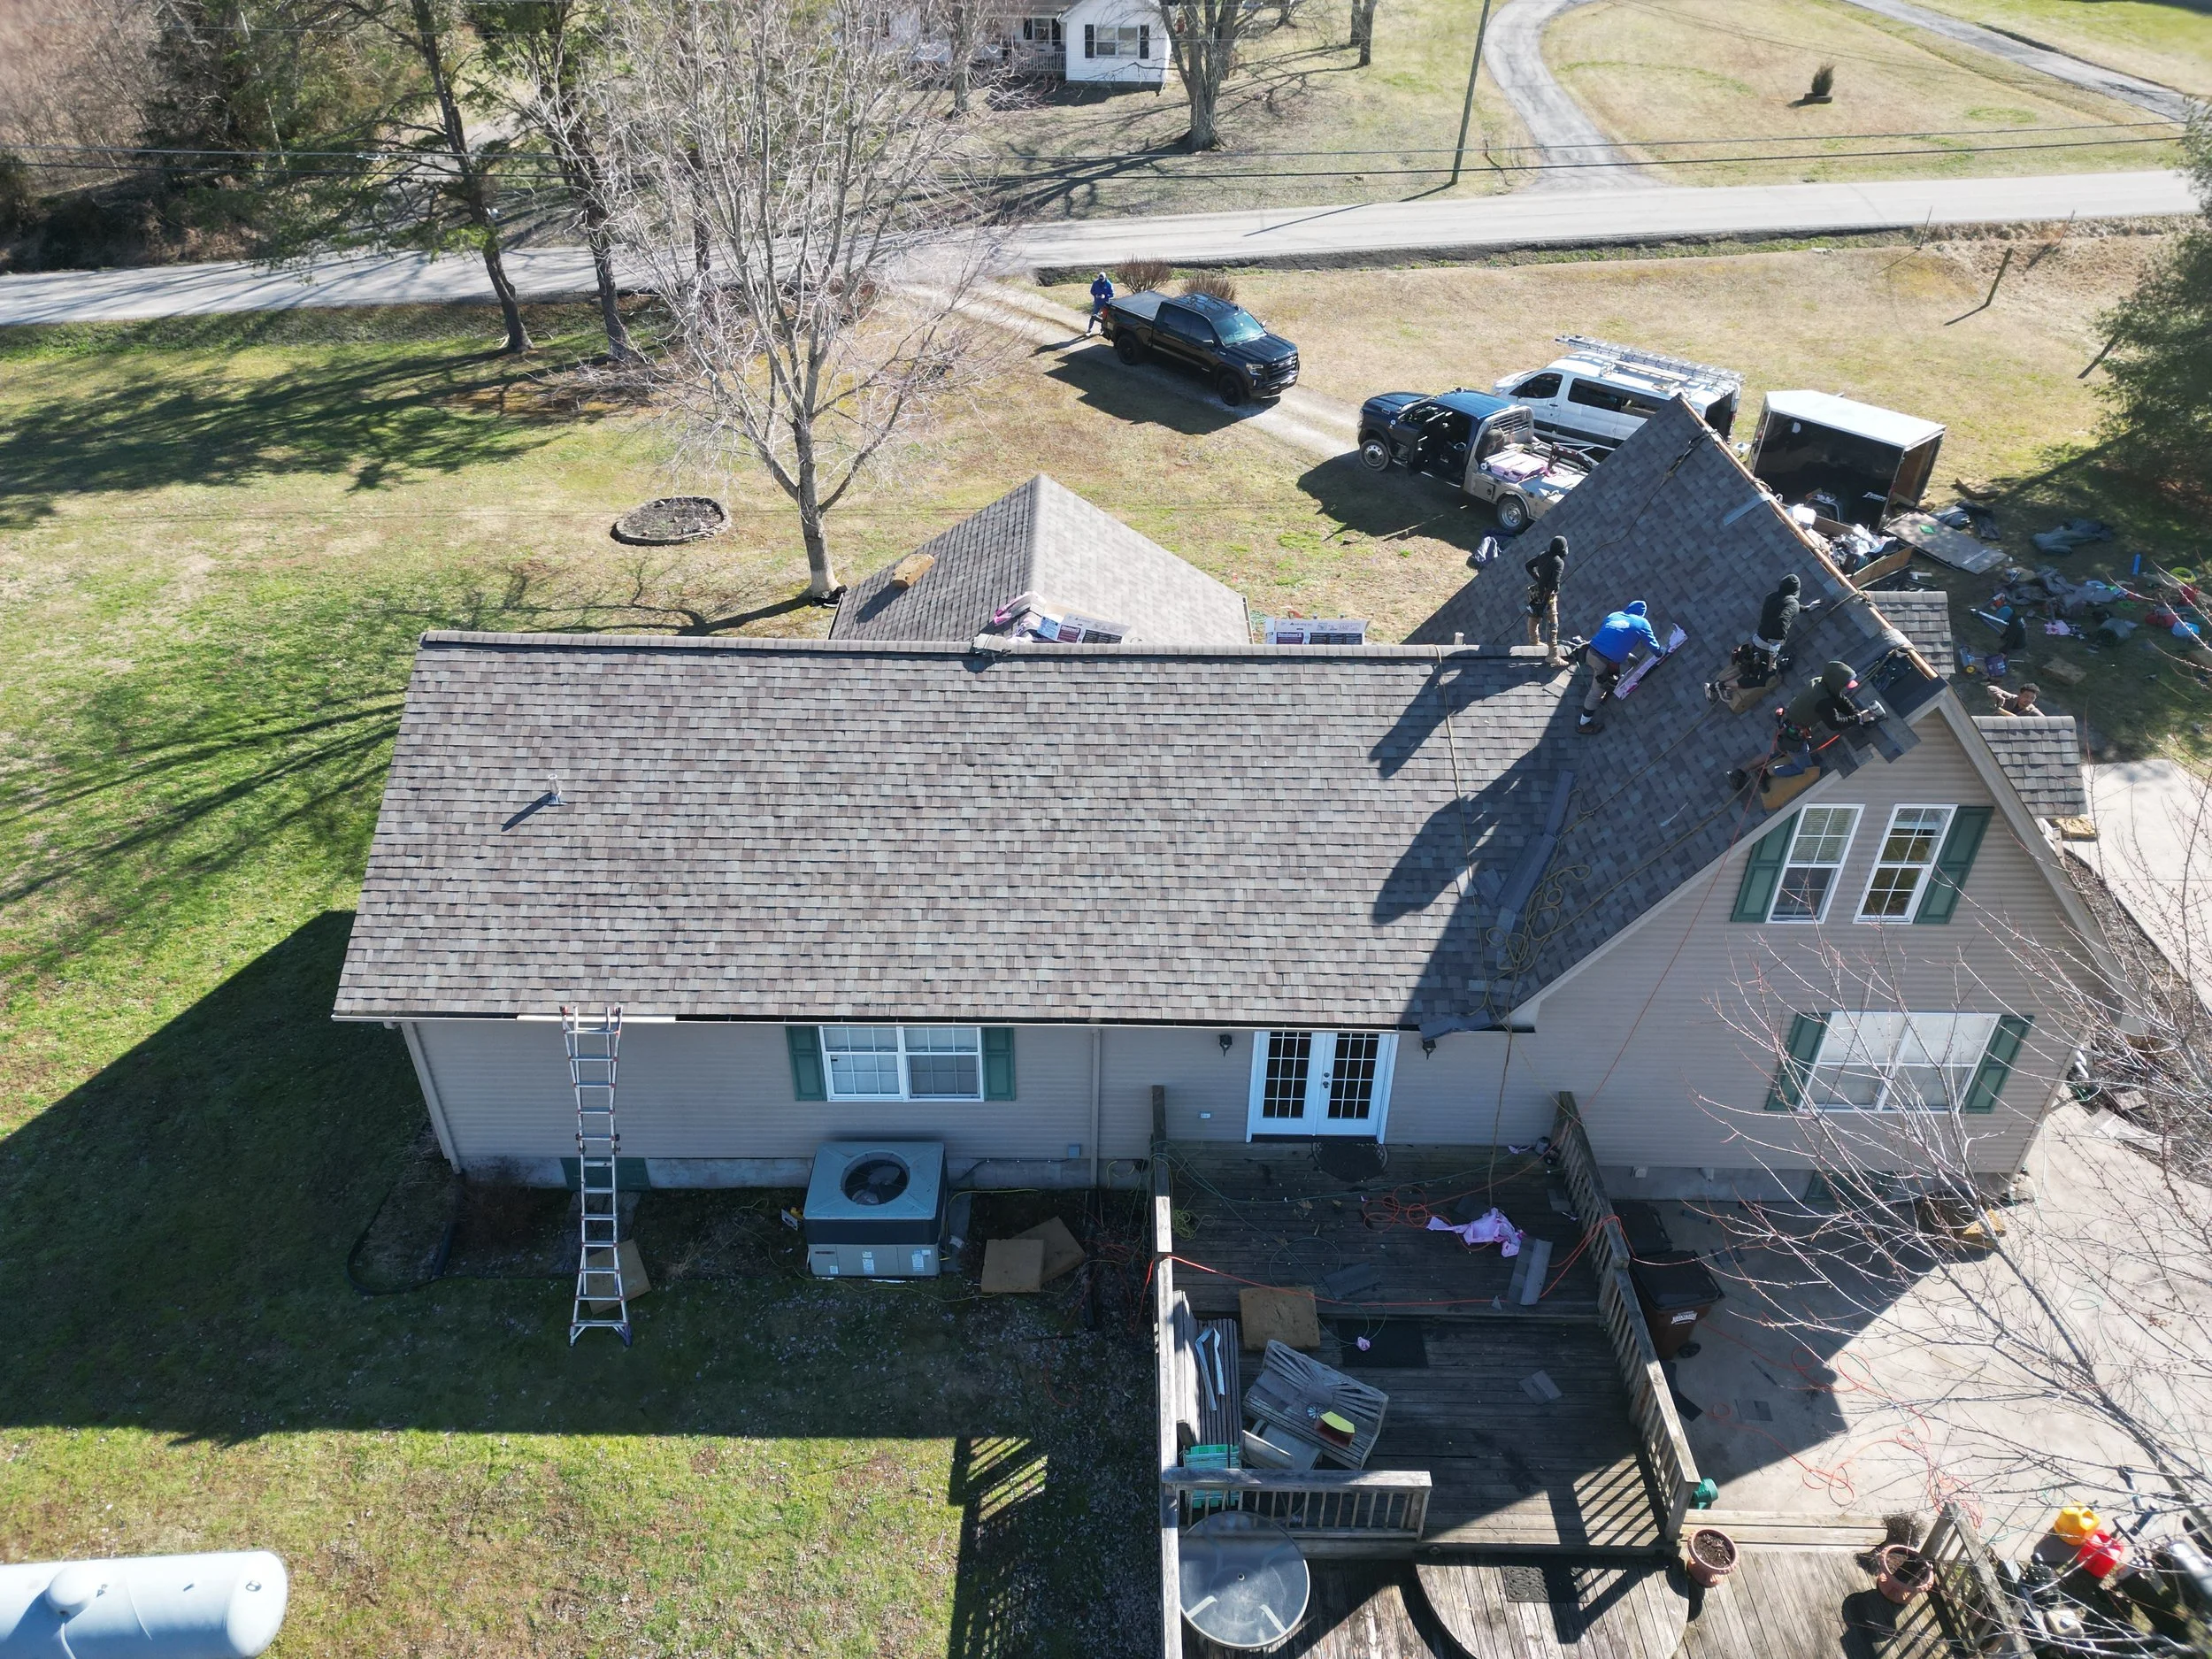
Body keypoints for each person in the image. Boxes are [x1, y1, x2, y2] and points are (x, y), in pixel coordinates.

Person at [1707, 573, 1821, 701]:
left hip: (1759, 638)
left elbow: (1786, 606)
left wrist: (1807, 608)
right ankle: (1721, 686)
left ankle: (1713, 686)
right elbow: (1783, 618)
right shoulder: (1792, 604)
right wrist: (1775, 645)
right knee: (1763, 679)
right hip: (1769, 646)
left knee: (1746, 667)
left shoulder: (1771, 597)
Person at [1770, 660, 1877, 775]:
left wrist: (1857, 714)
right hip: (1791, 735)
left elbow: (1840, 700)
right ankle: (1771, 772)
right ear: (1836, 682)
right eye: (1843, 685)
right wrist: (1859, 718)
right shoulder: (1824, 701)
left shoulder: (1820, 682)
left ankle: (1777, 755)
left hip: (1787, 722)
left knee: (1781, 751)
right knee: (1805, 769)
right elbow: (1834, 724)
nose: (1844, 687)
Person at [1577, 600, 1662, 734]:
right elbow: (1652, 645)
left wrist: (1630, 658)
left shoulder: (1614, 615)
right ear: (1642, 614)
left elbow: (1612, 640)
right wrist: (1659, 653)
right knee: (1595, 694)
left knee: (1613, 673)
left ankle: (1609, 688)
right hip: (1603, 662)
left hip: (1589, 652)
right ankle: (1584, 724)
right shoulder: (1642, 623)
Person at [1524, 534, 1570, 667]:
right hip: (1548, 597)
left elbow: (1528, 566)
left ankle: (1534, 641)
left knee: (1534, 616)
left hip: (1537, 592)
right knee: (1553, 624)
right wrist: (1546, 599)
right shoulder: (1558, 562)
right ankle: (1553, 655)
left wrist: (1538, 580)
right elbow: (1554, 583)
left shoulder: (1543, 555)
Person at [1086, 271, 1114, 335]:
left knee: (1103, 318)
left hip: (1104, 304)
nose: (1101, 281)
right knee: (1093, 316)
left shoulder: (1109, 284)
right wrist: (1095, 295)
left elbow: (1112, 294)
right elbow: (1092, 291)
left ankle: (1102, 330)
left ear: (1105, 278)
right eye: (1100, 279)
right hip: (1097, 302)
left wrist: (1106, 296)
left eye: (1102, 279)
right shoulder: (1096, 282)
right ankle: (1089, 329)